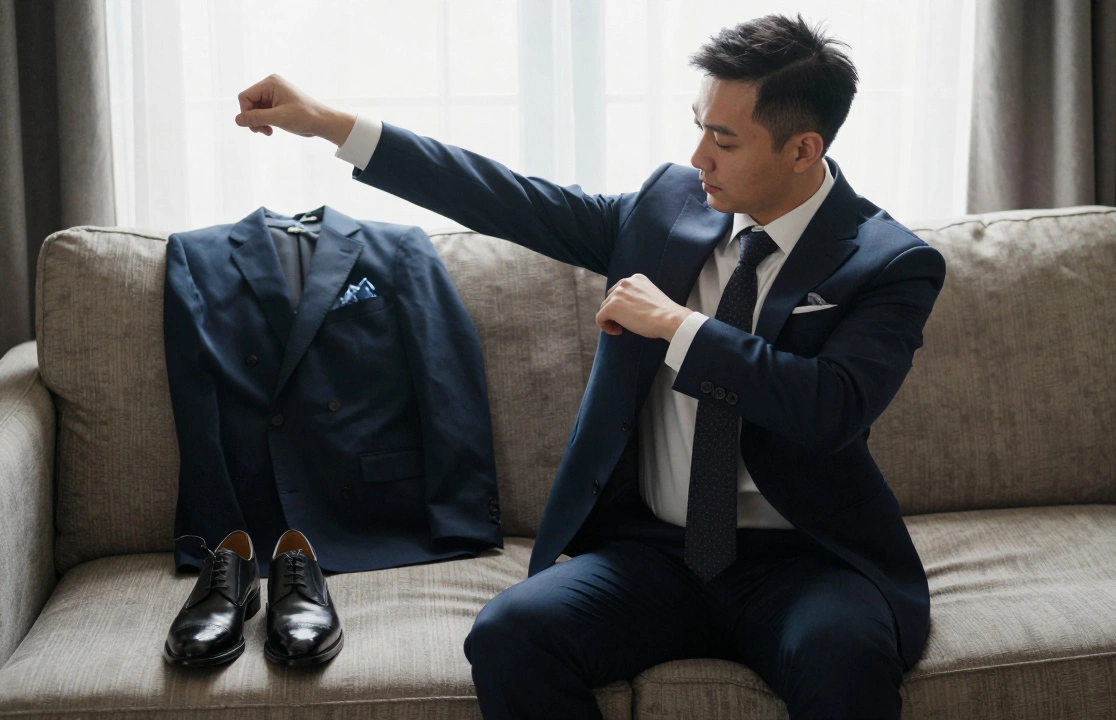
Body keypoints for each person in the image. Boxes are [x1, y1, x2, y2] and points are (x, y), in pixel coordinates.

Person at [234, 13, 944, 719]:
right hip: (657, 555)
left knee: (845, 661)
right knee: (511, 634)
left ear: (802, 149)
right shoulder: (669, 208)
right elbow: (504, 197)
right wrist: (330, 123)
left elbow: (832, 407)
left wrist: (677, 326)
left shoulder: (889, 263)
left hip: (806, 562)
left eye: (723, 140)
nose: (699, 156)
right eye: (698, 126)